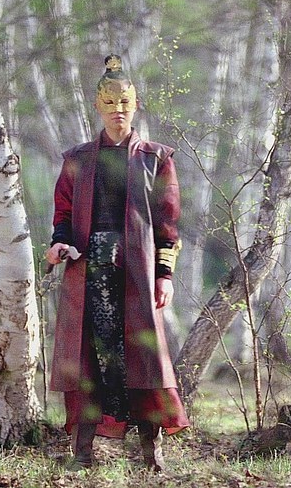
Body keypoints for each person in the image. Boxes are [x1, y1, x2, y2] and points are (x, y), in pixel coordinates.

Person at [45, 54, 189, 472]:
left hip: (136, 271)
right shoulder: (77, 158)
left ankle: (151, 454)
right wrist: (59, 243)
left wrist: (165, 274)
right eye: (109, 103)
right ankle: (82, 453)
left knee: (142, 356)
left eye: (124, 102)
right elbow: (63, 213)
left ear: (135, 104)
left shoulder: (156, 158)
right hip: (88, 270)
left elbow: (167, 221)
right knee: (88, 357)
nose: (117, 110)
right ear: (97, 106)